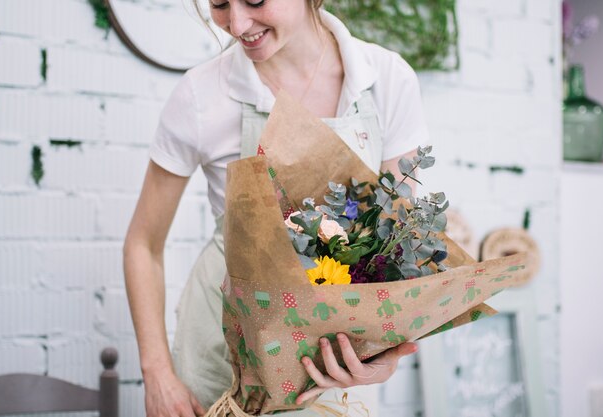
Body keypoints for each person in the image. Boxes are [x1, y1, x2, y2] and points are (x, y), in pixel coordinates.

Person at [123, 1, 430, 416]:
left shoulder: (386, 80)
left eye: (254, 0)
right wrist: (157, 374)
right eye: (218, 4)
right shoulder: (201, 95)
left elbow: (394, 254)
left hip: (334, 371)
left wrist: (382, 357)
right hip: (220, 366)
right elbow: (143, 244)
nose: (237, 24)